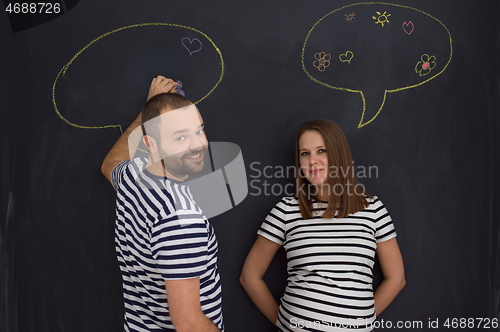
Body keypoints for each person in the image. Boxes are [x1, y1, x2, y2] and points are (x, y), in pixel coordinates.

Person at [240, 119, 405, 332]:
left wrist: (363, 321)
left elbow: (396, 278)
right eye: (305, 153)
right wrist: (284, 323)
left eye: (321, 151)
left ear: (339, 154)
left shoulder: (373, 209)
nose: (312, 161)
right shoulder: (287, 209)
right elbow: (249, 276)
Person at [101, 76, 224, 332]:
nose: (198, 144)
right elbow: (188, 323)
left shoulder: (134, 176)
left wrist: (147, 112)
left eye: (199, 130)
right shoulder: (180, 218)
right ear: (151, 144)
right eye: (180, 137)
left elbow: (109, 164)